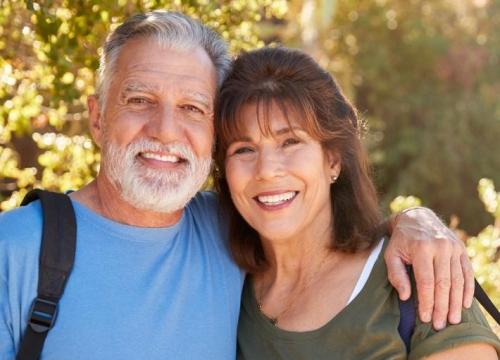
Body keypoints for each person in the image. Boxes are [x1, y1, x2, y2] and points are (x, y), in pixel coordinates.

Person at [0, 10, 479, 360]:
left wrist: (413, 222)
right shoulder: (16, 250)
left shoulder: (227, 232)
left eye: (192, 108)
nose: (166, 130)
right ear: (98, 118)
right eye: (140, 99)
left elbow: (313, 219)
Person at [213, 46, 500, 359]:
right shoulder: (224, 290)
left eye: (290, 142)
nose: (267, 170)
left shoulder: (423, 278)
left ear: (333, 159)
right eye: (243, 149)